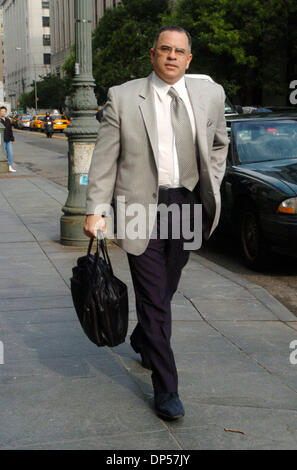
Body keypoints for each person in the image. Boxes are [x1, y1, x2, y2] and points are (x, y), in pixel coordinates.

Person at [84, 25, 229, 420]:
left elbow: (219, 142)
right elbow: (104, 158)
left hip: (184, 204)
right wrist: (96, 207)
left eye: (179, 51)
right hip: (138, 208)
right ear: (152, 54)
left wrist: (211, 179)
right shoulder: (124, 96)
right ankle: (167, 389)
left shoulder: (210, 94)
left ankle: (144, 336)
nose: (171, 56)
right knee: (153, 297)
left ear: (188, 58)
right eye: (164, 49)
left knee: (167, 288)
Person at [1, 106, 16, 172]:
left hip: (8, 140)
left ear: (6, 112)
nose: (3, 113)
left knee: (10, 153)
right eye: (1, 111)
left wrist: (12, 139)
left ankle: (9, 166)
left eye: (4, 111)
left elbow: (10, 130)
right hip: (1, 140)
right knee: (2, 154)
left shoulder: (8, 120)